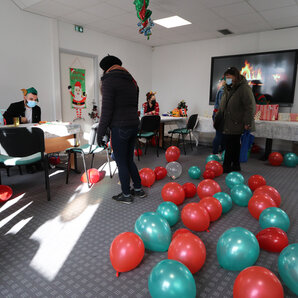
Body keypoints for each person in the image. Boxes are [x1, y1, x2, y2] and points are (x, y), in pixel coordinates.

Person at [97, 55, 146, 204]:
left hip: (120, 127)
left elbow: (106, 110)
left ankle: (126, 194)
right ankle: (138, 189)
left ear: (105, 69)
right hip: (133, 125)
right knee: (129, 159)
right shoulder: (132, 81)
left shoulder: (108, 80)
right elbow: (134, 106)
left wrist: (100, 133)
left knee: (121, 162)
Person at [216, 67, 255, 173]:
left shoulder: (244, 88)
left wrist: (248, 122)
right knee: (234, 144)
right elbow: (224, 104)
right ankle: (236, 165)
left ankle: (227, 166)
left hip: (237, 121)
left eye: (229, 77)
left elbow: (250, 106)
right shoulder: (228, 88)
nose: (227, 79)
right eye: (226, 77)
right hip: (228, 121)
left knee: (230, 145)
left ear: (236, 77)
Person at [212, 77, 225, 156]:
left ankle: (222, 152)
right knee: (219, 135)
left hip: (220, 114)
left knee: (223, 135)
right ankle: (215, 152)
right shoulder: (223, 90)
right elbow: (222, 105)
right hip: (220, 115)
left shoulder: (223, 89)